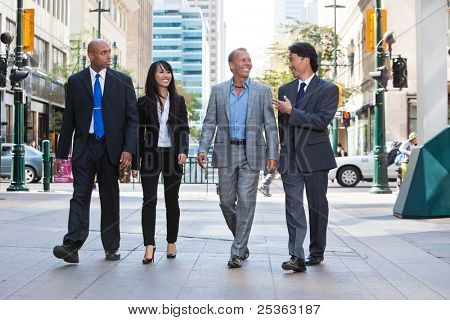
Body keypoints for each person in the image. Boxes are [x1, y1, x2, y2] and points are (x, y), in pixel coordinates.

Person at [53, 39, 138, 264]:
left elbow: (132, 120)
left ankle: (111, 247)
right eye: (103, 53)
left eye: (110, 52)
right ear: (91, 55)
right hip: (85, 147)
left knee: (110, 199)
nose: (109, 56)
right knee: (80, 196)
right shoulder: (75, 81)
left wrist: (129, 149)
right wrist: (61, 154)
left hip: (112, 149)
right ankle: (72, 245)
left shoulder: (123, 81)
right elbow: (69, 119)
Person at [198, 48, 279, 268]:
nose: (248, 63)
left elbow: (271, 126)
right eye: (243, 60)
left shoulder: (262, 91)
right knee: (226, 202)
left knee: (246, 202)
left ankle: (237, 251)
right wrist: (203, 147)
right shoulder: (218, 91)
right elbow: (209, 123)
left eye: (250, 60)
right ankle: (241, 241)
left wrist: (273, 153)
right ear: (231, 65)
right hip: (225, 151)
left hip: (251, 153)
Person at [273, 42, 338, 272]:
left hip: (315, 157)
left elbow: (321, 121)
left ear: (306, 60)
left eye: (292, 58)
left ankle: (316, 251)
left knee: (317, 205)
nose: (289, 63)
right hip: (290, 158)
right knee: (293, 206)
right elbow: (283, 127)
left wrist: (292, 112)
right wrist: (280, 155)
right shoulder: (285, 89)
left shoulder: (329, 89)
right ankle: (296, 255)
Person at [131, 61, 189, 264]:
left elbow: (184, 128)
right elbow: (138, 132)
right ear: (152, 76)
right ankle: (149, 246)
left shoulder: (178, 100)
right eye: (161, 72)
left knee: (172, 201)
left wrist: (183, 150)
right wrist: (135, 164)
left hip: (173, 156)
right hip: (150, 155)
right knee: (149, 201)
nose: (166, 75)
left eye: (168, 72)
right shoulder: (143, 102)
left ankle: (171, 242)